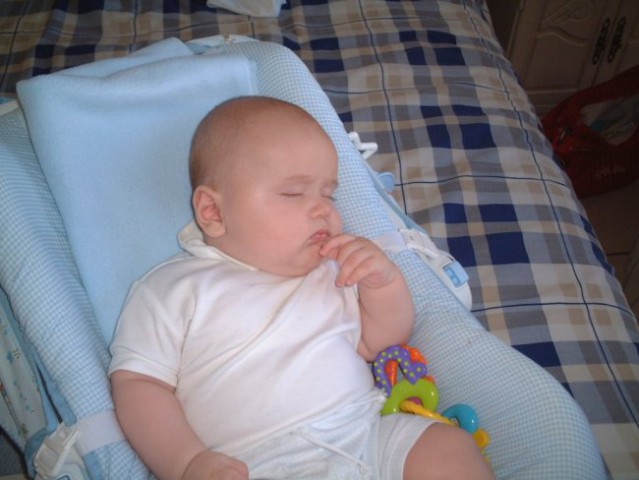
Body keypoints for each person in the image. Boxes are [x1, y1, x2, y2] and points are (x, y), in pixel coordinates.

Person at [109, 96, 494, 480]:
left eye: (329, 194)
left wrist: (383, 283)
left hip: (365, 434)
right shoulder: (173, 289)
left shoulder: (331, 270)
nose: (324, 209)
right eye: (293, 193)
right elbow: (139, 383)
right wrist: (186, 462)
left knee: (447, 446)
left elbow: (379, 342)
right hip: (255, 463)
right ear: (213, 211)